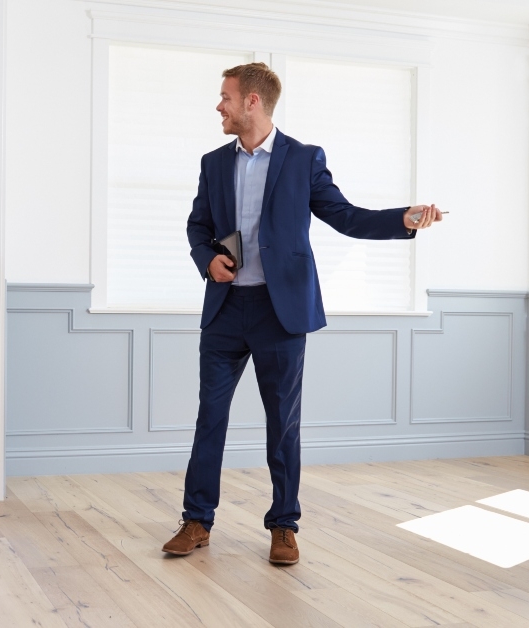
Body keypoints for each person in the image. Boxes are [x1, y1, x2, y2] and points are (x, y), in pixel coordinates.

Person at [162, 63, 443, 565]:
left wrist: (403, 219)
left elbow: (346, 216)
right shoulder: (212, 163)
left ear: (252, 101)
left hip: (281, 313)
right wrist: (207, 260)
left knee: (283, 425)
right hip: (226, 312)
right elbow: (197, 227)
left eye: (225, 97)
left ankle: (284, 526)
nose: (219, 106)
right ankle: (197, 520)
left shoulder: (303, 160)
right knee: (211, 419)